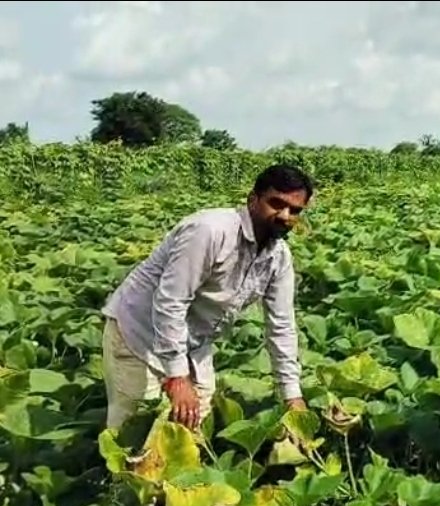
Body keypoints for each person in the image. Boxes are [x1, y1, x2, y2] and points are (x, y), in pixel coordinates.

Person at [100, 163, 314, 431]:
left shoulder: (278, 257)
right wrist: (177, 378)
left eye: (295, 210)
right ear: (253, 199)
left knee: (191, 429)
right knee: (133, 435)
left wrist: (292, 397)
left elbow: (281, 327)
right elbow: (171, 302)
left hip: (193, 343)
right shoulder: (210, 230)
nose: (285, 215)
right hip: (138, 334)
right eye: (276, 204)